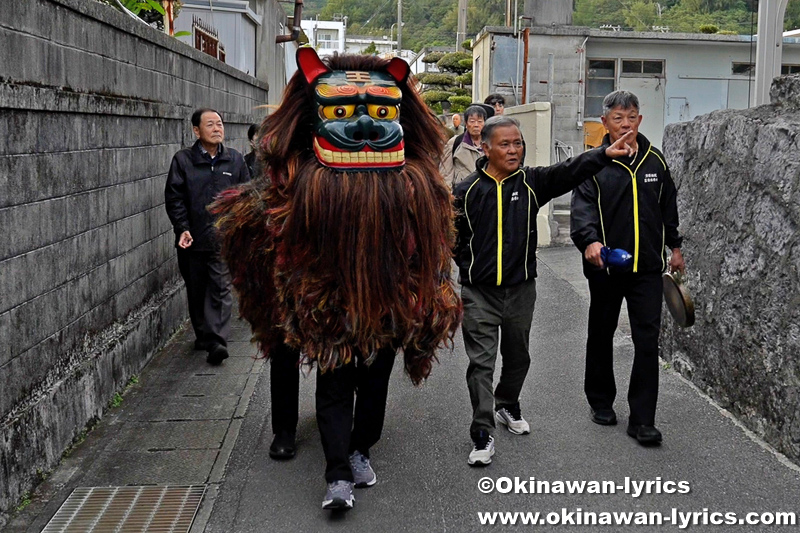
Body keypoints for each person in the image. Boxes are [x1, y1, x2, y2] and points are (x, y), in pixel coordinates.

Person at [212, 48, 460, 510]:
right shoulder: (293, 191)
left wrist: (427, 295)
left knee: (375, 389)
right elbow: (269, 248)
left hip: (387, 309)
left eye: (383, 112)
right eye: (342, 112)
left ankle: (361, 447)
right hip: (328, 310)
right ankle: (337, 474)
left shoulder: (419, 191)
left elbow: (431, 253)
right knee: (334, 387)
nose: (365, 127)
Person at [453, 115, 636, 466]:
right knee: (481, 364)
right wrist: (468, 269)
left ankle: (507, 403)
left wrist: (603, 153)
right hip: (479, 294)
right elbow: (450, 239)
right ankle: (482, 432)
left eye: (518, 143)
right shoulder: (466, 192)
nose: (513, 150)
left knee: (519, 357)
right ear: (486, 147)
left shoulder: (532, 182)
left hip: (521, 290)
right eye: (505, 144)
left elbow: (569, 169)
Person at [570, 90, 684, 446]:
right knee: (601, 333)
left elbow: (669, 208)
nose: (625, 124)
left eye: (631, 117)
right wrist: (589, 241)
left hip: (647, 268)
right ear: (604, 122)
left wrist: (675, 246)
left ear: (640, 120)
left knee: (648, 341)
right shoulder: (594, 162)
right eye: (618, 118)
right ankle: (601, 401)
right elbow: (582, 207)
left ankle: (643, 419)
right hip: (606, 266)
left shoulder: (656, 161)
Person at [165, 109, 250, 365]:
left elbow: (245, 196)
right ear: (196, 131)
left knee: (221, 288)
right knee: (197, 289)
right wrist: (182, 227)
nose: (217, 128)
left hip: (223, 239)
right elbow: (175, 197)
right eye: (210, 124)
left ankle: (216, 341)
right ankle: (204, 335)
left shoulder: (235, 160)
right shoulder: (183, 161)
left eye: (219, 124)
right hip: (192, 239)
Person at [440, 104, 493, 189]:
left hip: (486, 193)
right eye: (472, 121)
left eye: (480, 121)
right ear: (466, 123)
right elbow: (446, 174)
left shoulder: (491, 144)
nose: (476, 125)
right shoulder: (454, 142)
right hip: (462, 193)